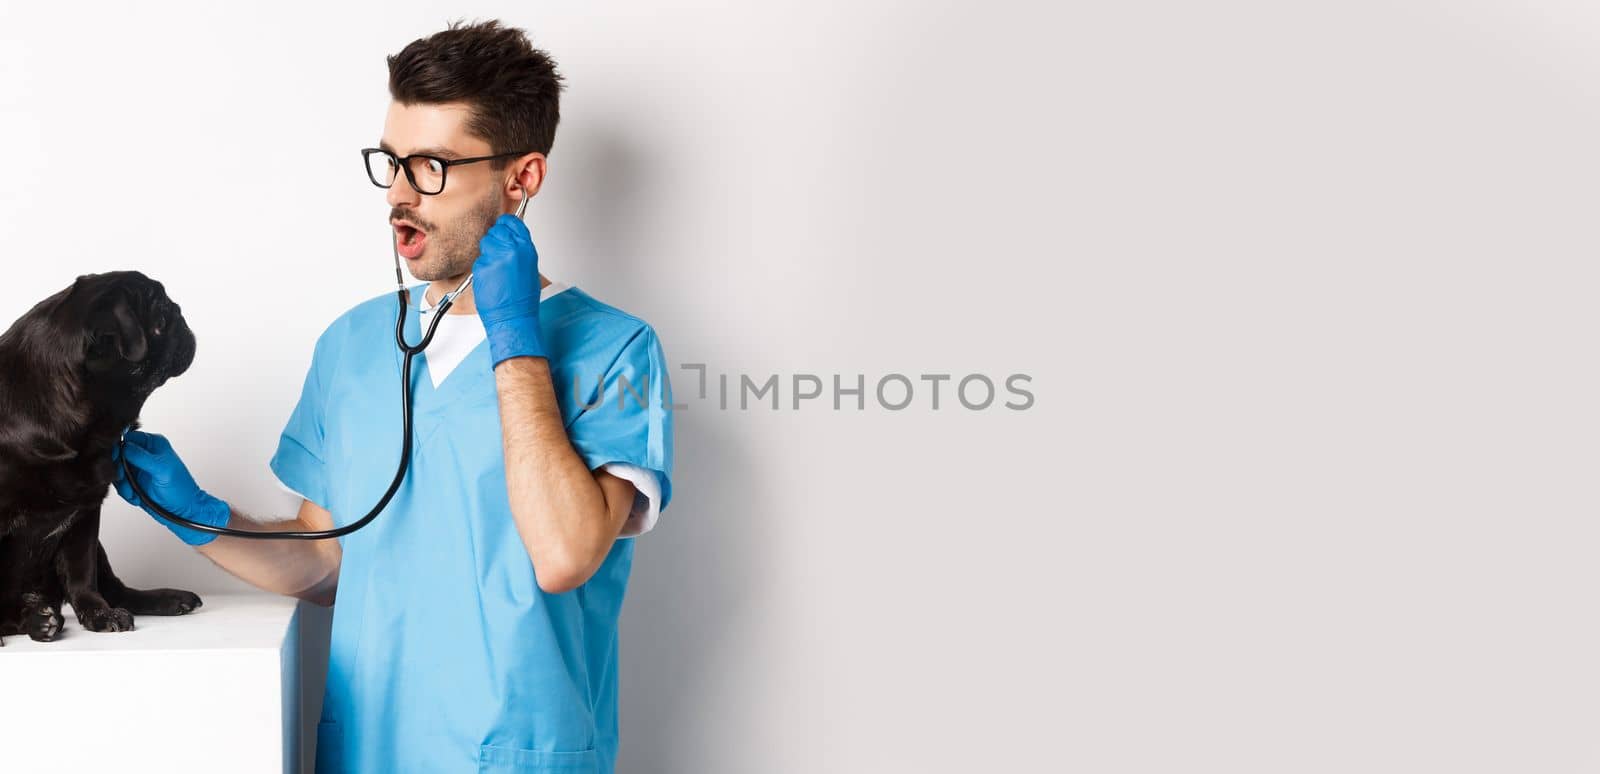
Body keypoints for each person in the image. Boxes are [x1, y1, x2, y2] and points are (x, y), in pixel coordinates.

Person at [111, 19, 673, 774]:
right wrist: (192, 513)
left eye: (433, 166)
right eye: (393, 163)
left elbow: (566, 555)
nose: (401, 196)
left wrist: (515, 341)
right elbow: (324, 567)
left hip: (517, 757)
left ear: (523, 178)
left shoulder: (617, 350)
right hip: (369, 752)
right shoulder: (352, 346)